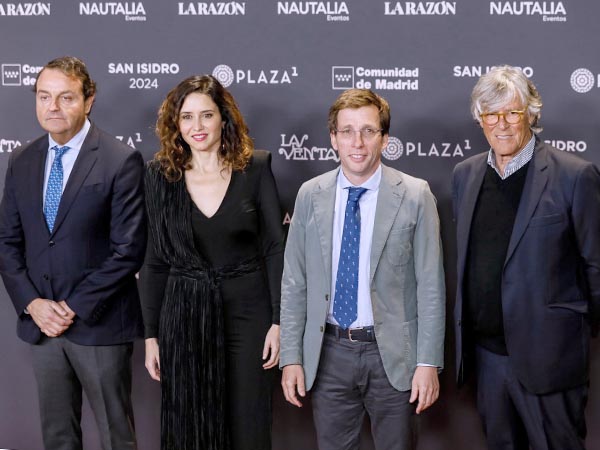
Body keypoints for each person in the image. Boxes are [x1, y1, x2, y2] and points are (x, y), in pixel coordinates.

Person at [279, 88, 445, 450]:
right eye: (347, 131)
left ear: (384, 139)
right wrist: (291, 357)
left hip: (394, 357)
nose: (357, 142)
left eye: (368, 131)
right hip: (329, 354)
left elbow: (431, 285)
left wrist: (428, 362)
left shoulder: (415, 195)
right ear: (333, 139)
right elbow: (295, 282)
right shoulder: (310, 194)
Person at [0, 56, 145, 449]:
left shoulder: (120, 160)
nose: (53, 107)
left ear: (89, 100)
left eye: (66, 97)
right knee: (58, 437)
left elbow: (128, 250)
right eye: (44, 96)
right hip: (42, 326)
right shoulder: (21, 160)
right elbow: (7, 242)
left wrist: (71, 307)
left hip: (99, 324)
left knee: (116, 437)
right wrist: (33, 304)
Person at [453, 65, 600, 450]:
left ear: (531, 115)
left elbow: (595, 266)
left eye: (512, 112)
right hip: (488, 359)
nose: (501, 124)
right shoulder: (465, 175)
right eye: (491, 114)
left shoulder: (574, 176)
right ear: (480, 119)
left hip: (551, 359)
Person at [139, 74, 284, 450]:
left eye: (206, 115)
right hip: (184, 315)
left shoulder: (255, 168)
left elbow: (274, 248)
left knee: (249, 424)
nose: (197, 126)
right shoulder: (159, 176)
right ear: (176, 124)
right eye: (186, 117)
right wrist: (151, 335)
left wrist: (278, 321)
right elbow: (155, 261)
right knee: (192, 427)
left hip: (249, 316)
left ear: (224, 118)